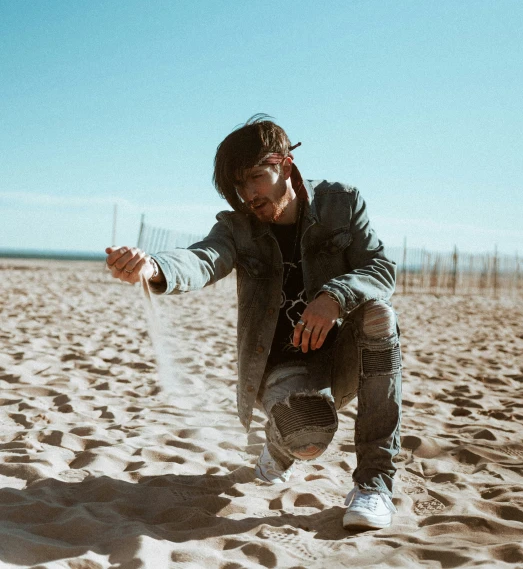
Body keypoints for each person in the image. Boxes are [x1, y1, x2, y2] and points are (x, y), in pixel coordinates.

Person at [105, 116, 402, 531]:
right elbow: (203, 258)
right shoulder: (236, 227)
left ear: (285, 163)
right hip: (279, 367)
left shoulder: (342, 203)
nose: (248, 196)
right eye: (237, 188)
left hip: (343, 356)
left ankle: (374, 485)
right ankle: (278, 449)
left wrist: (334, 297)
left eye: (256, 179)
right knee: (309, 432)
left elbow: (380, 270)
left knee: (380, 314)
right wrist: (154, 266)